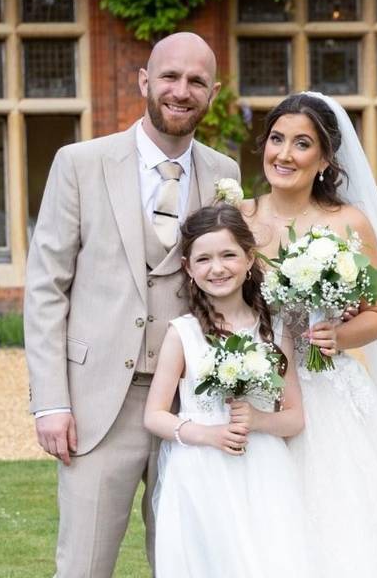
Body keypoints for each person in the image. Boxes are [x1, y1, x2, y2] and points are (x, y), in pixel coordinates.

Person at [23, 32, 240, 577]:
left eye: (196, 81)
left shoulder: (225, 176)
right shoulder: (79, 164)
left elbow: (239, 281)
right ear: (145, 81)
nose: (181, 90)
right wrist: (50, 402)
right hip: (99, 406)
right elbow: (47, 287)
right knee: (83, 566)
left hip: (195, 404)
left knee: (188, 563)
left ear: (212, 92)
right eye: (169, 76)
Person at [241, 92, 377, 577]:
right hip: (255, 390)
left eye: (302, 144)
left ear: (324, 159)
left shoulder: (348, 223)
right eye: (277, 139)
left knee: (344, 525)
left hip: (327, 396)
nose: (284, 154)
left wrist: (335, 338)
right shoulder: (237, 219)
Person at [144, 204, 311, 578]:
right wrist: (206, 433)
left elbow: (295, 417)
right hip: (200, 472)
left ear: (249, 258)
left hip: (263, 470)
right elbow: (154, 415)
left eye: (228, 255)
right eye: (203, 259)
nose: (216, 268)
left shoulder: (274, 330)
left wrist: (257, 420)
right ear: (188, 268)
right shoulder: (183, 333)